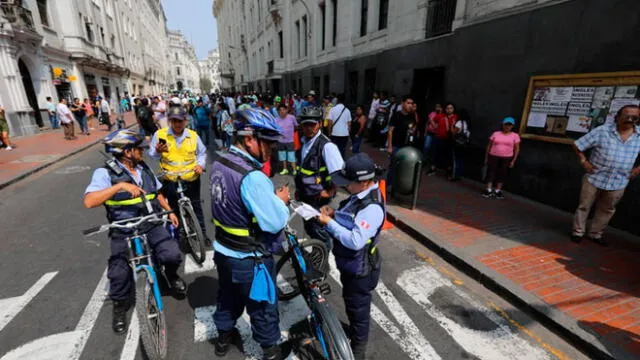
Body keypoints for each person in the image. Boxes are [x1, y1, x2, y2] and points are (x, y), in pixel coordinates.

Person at [83, 129, 185, 334]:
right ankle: (120, 306)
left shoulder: (144, 168)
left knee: (172, 254)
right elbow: (89, 201)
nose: (142, 152)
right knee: (118, 272)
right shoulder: (104, 173)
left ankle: (171, 275)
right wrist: (118, 186)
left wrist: (168, 212)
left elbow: (157, 194)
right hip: (124, 228)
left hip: (150, 222)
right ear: (127, 152)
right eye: (139, 149)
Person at [210, 108, 290, 360]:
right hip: (250, 257)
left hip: (223, 251)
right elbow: (275, 222)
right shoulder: (253, 177)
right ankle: (271, 352)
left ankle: (223, 338)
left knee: (227, 296)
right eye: (267, 142)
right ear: (248, 139)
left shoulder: (219, 161)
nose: (272, 149)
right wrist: (281, 201)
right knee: (262, 307)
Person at [316, 153, 384, 360]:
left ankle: (358, 350)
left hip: (361, 269)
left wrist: (329, 223)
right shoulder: (360, 197)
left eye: (349, 182)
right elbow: (351, 217)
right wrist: (335, 214)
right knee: (352, 304)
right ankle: (354, 332)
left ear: (363, 183)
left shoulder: (371, 208)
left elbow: (355, 240)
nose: (345, 186)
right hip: (351, 265)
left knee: (359, 310)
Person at [571, 105, 640, 246]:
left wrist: (638, 169)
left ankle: (595, 234)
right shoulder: (602, 131)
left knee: (607, 209)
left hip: (619, 180)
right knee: (584, 206)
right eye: (626, 116)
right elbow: (578, 145)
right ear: (618, 116)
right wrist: (584, 162)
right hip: (595, 176)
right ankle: (577, 232)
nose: (629, 119)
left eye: (634, 117)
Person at [149, 107, 209, 246]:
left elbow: (202, 153)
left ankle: (203, 235)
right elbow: (152, 155)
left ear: (185, 121)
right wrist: (158, 151)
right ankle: (180, 235)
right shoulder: (160, 135)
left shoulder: (193, 136)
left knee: (196, 206)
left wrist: (200, 165)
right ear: (169, 121)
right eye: (174, 121)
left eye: (180, 121)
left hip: (191, 177)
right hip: (171, 178)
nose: (177, 124)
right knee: (174, 208)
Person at [296, 106, 345, 249]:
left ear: (319, 123)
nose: (308, 128)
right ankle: (318, 257)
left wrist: (329, 192)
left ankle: (322, 265)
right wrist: (300, 189)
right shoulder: (305, 142)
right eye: (305, 124)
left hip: (319, 200)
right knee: (311, 229)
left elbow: (339, 174)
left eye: (312, 124)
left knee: (320, 233)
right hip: (306, 197)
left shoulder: (327, 146)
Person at [483, 117, 521, 199]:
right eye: (506, 124)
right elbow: (489, 146)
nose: (507, 126)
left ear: (512, 126)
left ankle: (498, 190)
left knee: (502, 173)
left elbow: (517, 149)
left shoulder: (515, 136)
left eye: (509, 125)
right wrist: (486, 157)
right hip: (493, 155)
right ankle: (488, 189)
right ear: (502, 125)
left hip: (507, 157)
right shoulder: (496, 134)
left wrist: (513, 160)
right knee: (491, 171)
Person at [386, 96, 417, 186]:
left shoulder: (412, 115)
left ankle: (398, 185)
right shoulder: (396, 115)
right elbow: (390, 131)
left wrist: (412, 131)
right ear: (403, 103)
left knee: (403, 167)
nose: (410, 105)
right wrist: (390, 147)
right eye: (408, 103)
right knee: (393, 166)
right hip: (396, 145)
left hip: (407, 146)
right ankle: (388, 185)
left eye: (411, 103)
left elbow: (414, 127)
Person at [275, 104, 298, 175]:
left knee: (291, 155)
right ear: (278, 112)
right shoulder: (276, 119)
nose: (282, 111)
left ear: (287, 110)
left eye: (283, 109)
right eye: (280, 110)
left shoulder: (292, 117)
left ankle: (294, 170)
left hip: (290, 140)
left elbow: (296, 126)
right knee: (282, 156)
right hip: (280, 140)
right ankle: (285, 169)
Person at [450, 108, 471, 181]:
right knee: (461, 159)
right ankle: (460, 175)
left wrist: (452, 126)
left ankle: (454, 175)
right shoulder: (467, 123)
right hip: (464, 143)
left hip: (458, 143)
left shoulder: (459, 123)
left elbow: (454, 133)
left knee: (456, 159)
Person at [423, 104, 443, 175]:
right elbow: (427, 123)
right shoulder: (432, 113)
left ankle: (431, 164)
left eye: (439, 107)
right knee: (426, 146)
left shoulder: (442, 116)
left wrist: (432, 121)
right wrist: (425, 132)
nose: (437, 108)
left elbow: (436, 126)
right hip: (429, 133)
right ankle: (424, 160)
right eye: (436, 106)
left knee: (433, 149)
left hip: (436, 134)